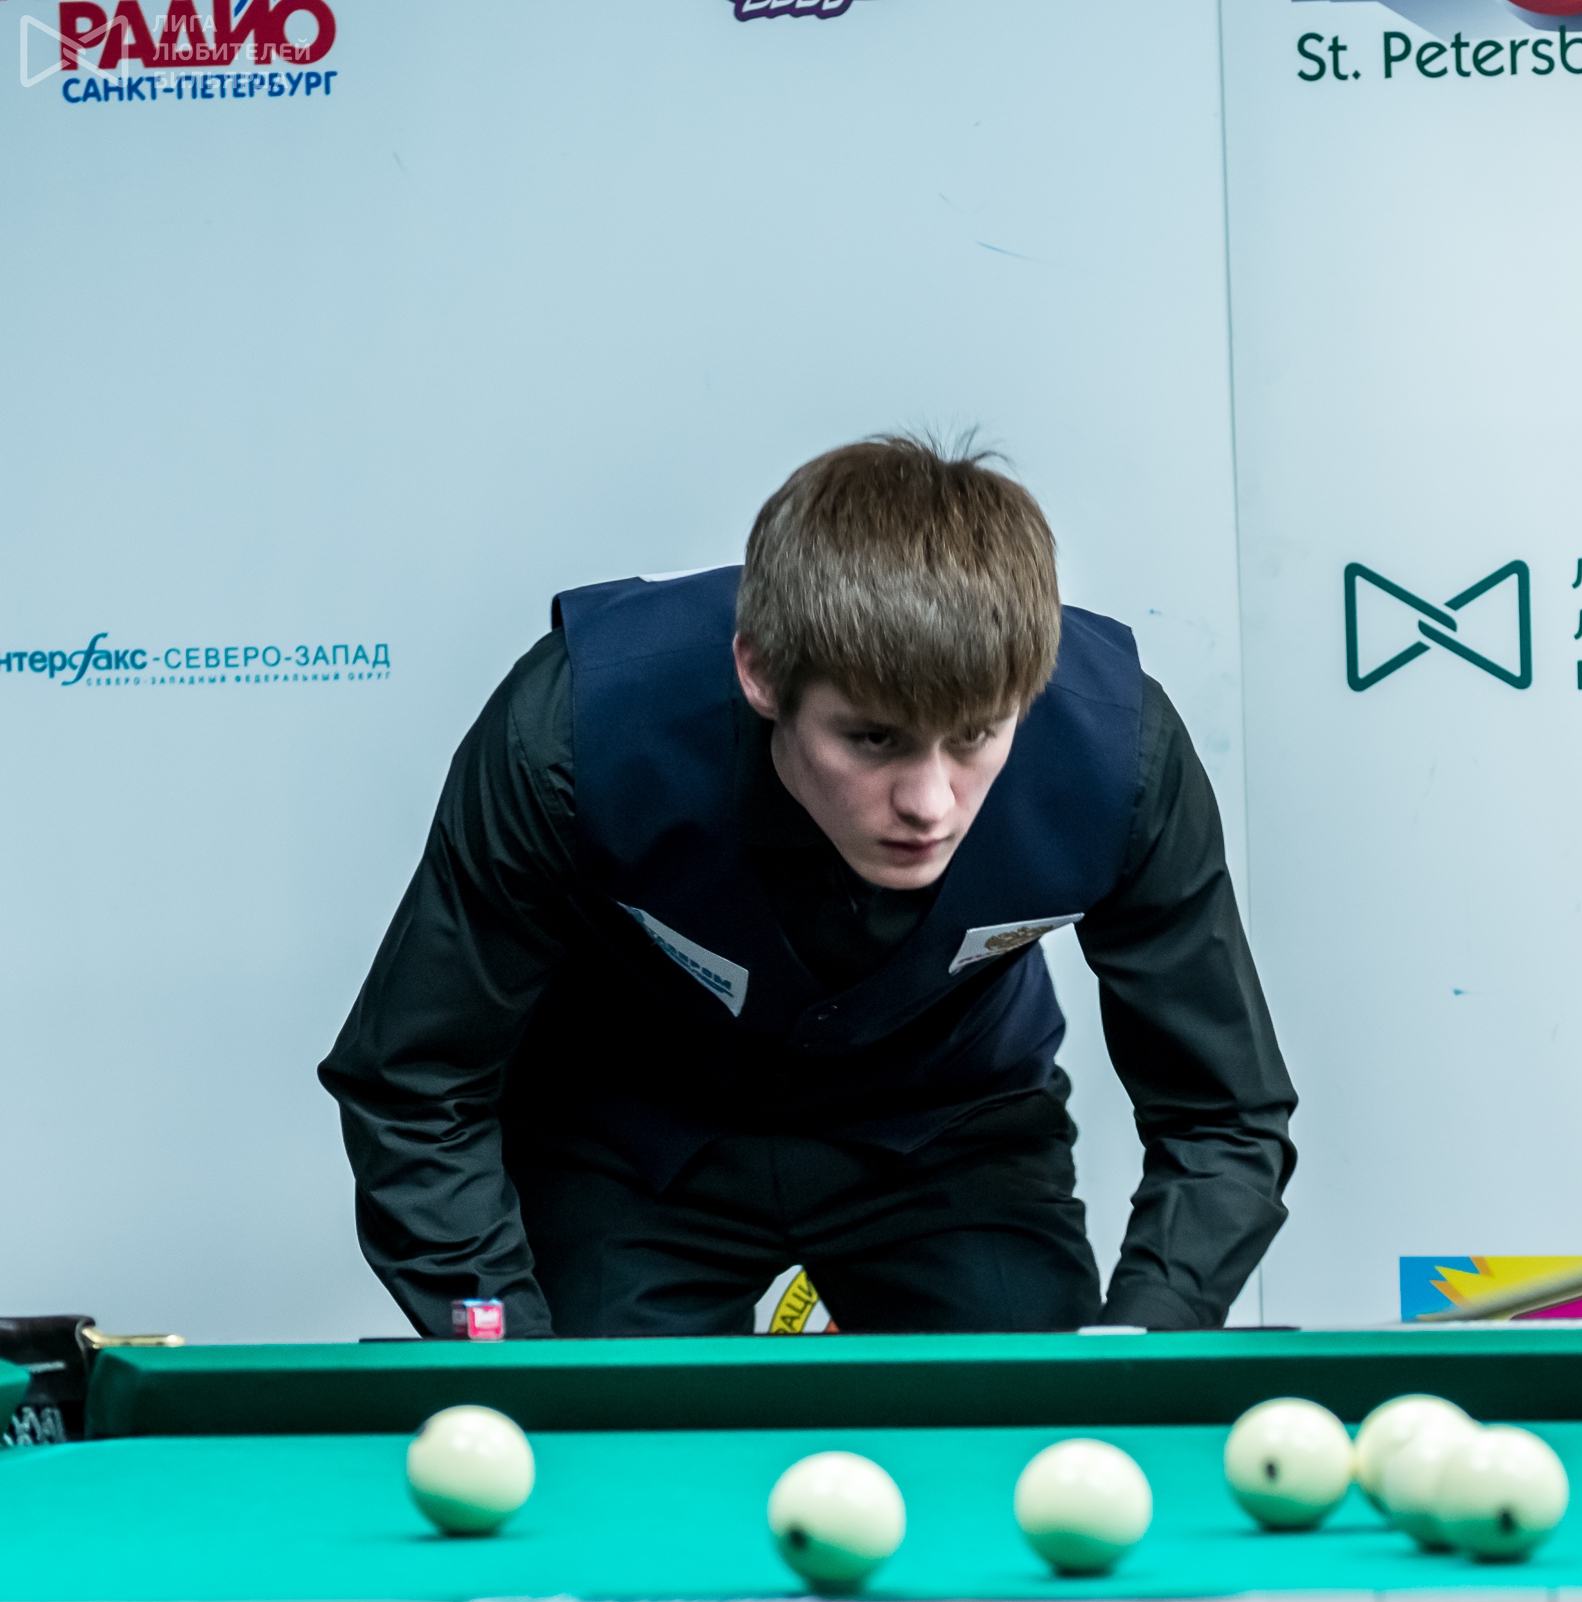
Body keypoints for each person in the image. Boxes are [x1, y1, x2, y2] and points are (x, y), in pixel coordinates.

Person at [320, 437, 1295, 1337]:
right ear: (760, 672)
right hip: (628, 1139)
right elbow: (417, 1079)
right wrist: (506, 1355)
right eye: (873, 738)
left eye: (975, 737)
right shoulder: (570, 733)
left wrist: (1146, 1341)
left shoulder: (1121, 757)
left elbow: (1221, 1111)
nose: (930, 804)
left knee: (1030, 1442)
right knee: (609, 1450)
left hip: (952, 1138)